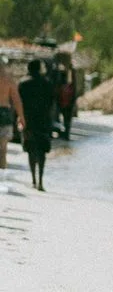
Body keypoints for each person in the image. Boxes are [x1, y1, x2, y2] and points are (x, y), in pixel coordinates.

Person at [18, 59, 56, 192]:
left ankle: (33, 180)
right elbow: (52, 103)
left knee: (31, 149)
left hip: (28, 120)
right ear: (40, 69)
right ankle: (41, 181)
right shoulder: (47, 83)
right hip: (44, 121)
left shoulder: (23, 83)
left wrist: (20, 118)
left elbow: (19, 103)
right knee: (42, 150)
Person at [0, 58, 24, 171]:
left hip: (5, 112)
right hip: (5, 112)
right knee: (3, 146)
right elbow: (16, 100)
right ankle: (2, 171)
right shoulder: (8, 81)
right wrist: (21, 117)